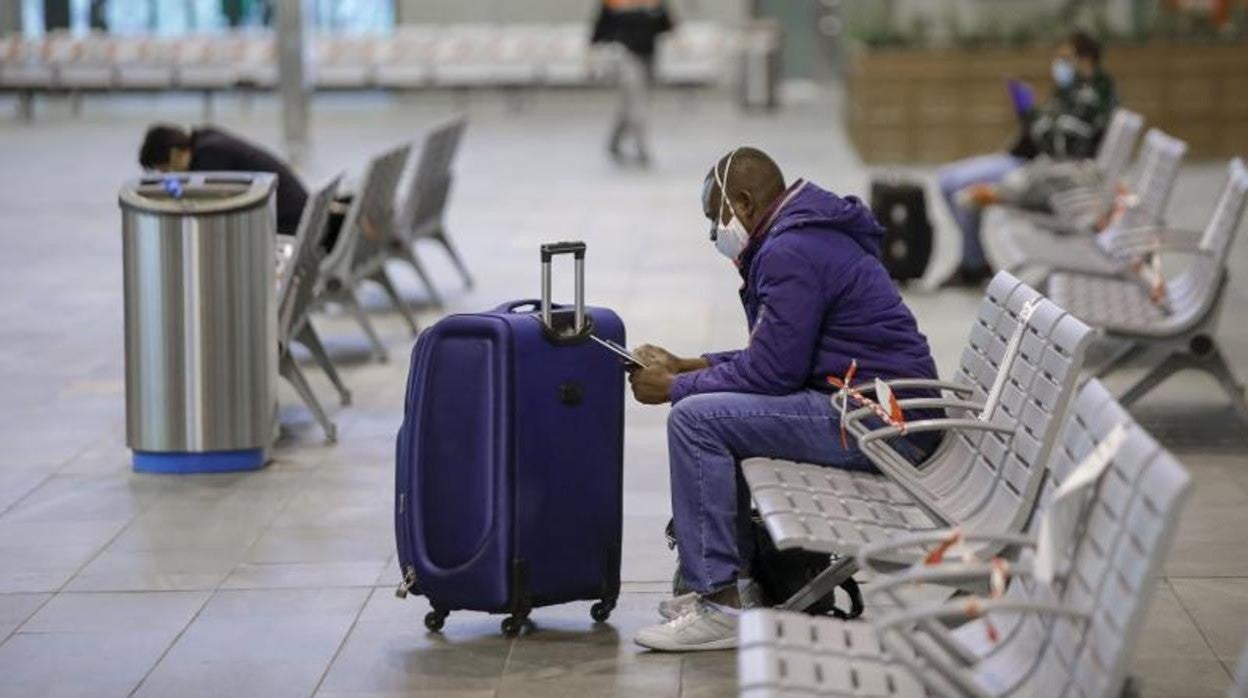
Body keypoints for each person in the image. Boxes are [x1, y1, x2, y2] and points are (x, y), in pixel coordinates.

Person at [627, 147, 941, 652]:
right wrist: (689, 364)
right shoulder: (800, 233)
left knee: (695, 420)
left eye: (717, 218)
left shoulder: (788, 251)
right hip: (880, 410)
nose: (714, 234)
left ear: (746, 204)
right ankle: (737, 583)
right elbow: (781, 350)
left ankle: (720, 602)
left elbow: (774, 372)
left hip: (879, 425)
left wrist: (673, 388)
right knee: (710, 411)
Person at [938, 30, 1118, 286]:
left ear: (1086, 59)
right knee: (947, 180)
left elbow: (1060, 144)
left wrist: (1033, 116)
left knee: (960, 189)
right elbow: (1051, 130)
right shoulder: (1074, 92)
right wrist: (1032, 115)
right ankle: (974, 261)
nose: (1060, 65)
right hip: (1036, 164)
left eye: (1066, 58)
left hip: (1042, 171)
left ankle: (973, 264)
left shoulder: (1090, 97)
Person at [138, 124, 309, 237]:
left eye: (166, 169)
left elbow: (209, 212)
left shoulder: (209, 157)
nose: (172, 175)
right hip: (297, 214)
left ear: (174, 154)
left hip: (288, 223)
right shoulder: (207, 140)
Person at [590, 0, 674, 167]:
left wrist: (653, 12)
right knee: (638, 102)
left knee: (631, 103)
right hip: (625, 55)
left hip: (649, 57)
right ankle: (641, 147)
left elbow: (666, 25)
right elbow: (600, 27)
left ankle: (615, 140)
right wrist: (592, 53)